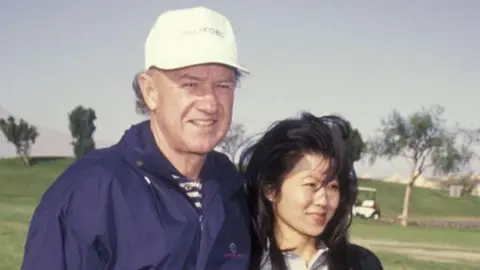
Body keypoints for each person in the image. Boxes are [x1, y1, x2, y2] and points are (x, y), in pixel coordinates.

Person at [21, 6, 250, 270]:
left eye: (223, 85)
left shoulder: (233, 190)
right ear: (149, 91)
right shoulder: (90, 192)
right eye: (190, 84)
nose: (210, 103)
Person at [239, 112, 383, 270]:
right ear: (271, 190)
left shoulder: (361, 263)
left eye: (332, 186)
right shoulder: (240, 262)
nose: (323, 201)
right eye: (311, 184)